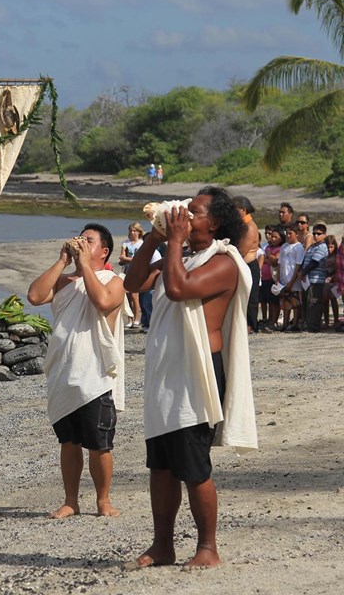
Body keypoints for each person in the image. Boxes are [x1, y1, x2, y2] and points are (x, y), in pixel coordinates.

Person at [124, 186, 257, 569]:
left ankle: (208, 548)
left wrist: (175, 242)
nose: (183, 213)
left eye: (193, 211)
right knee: (161, 464)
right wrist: (153, 239)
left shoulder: (225, 263)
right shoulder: (178, 256)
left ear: (214, 222)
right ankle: (162, 545)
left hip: (197, 373)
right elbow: (132, 285)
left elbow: (180, 289)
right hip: (166, 370)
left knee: (193, 465)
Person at [28, 223, 125, 519]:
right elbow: (34, 296)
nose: (81, 242)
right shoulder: (64, 281)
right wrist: (62, 261)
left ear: (103, 251)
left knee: (99, 444)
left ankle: (103, 500)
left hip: (94, 375)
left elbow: (103, 302)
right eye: (80, 238)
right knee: (68, 442)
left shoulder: (113, 280)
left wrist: (84, 267)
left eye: (89, 241)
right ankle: (71, 500)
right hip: (62, 371)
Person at [233, 195, 260, 334]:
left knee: (250, 298)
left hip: (249, 265)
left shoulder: (250, 226)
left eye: (234, 209)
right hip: (241, 265)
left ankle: (251, 325)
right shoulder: (241, 225)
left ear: (243, 210)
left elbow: (242, 251)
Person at [301, 223, 329, 332]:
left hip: (316, 280)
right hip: (308, 280)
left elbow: (314, 263)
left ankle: (314, 326)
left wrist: (303, 273)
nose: (316, 236)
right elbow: (305, 260)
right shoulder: (312, 246)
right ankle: (308, 324)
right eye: (314, 234)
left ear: (324, 235)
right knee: (307, 302)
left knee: (314, 302)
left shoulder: (322, 247)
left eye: (319, 234)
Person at [277, 222, 304, 331]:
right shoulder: (284, 246)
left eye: (290, 233)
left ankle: (295, 323)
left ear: (296, 234)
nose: (288, 236)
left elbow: (298, 266)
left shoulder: (299, 247)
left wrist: (292, 282)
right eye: (287, 233)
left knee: (295, 302)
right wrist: (278, 279)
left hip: (293, 280)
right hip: (284, 279)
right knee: (285, 302)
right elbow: (279, 263)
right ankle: (285, 323)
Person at [259, 226, 284, 332]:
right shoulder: (268, 248)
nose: (272, 239)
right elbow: (264, 259)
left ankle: (274, 320)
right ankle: (268, 319)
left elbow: (274, 261)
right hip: (264, 278)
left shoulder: (280, 249)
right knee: (267, 300)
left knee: (274, 302)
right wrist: (269, 257)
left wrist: (268, 256)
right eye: (272, 237)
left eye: (275, 237)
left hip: (273, 278)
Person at [323, 235, 339, 329]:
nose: (329, 249)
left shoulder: (337, 256)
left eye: (331, 247)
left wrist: (332, 277)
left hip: (335, 281)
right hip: (325, 281)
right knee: (325, 300)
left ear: (335, 246)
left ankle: (336, 320)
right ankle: (326, 321)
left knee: (334, 299)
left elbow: (339, 270)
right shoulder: (324, 256)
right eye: (327, 247)